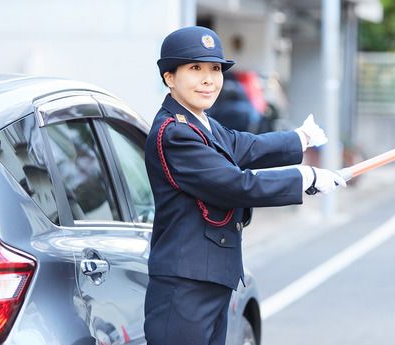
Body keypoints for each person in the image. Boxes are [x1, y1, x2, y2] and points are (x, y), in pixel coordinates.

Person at [144, 26, 346, 345]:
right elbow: (235, 185)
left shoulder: (200, 122)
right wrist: (305, 177)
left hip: (207, 281)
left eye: (215, 69)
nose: (209, 79)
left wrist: (299, 138)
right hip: (184, 288)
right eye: (195, 68)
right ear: (169, 77)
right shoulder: (175, 132)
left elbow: (244, 146)